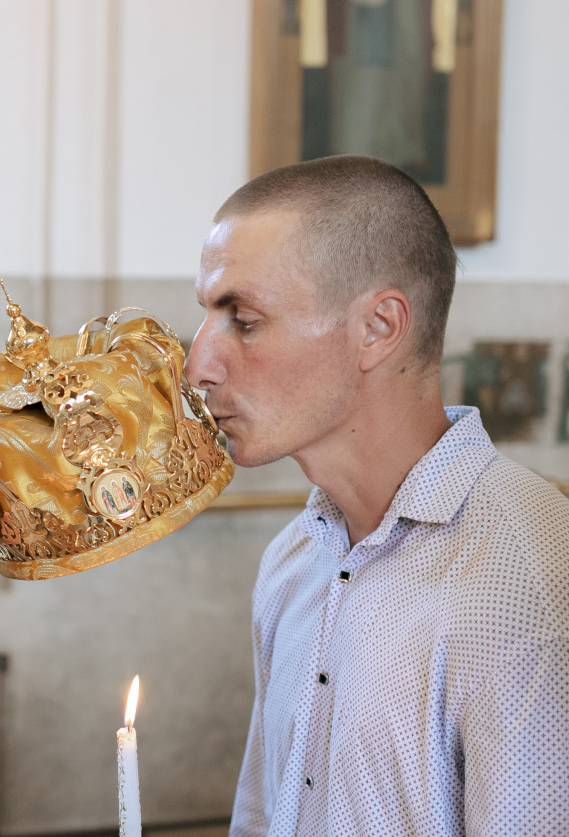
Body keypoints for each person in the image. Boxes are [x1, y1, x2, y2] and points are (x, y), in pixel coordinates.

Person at [184, 155, 569, 835]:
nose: (197, 366)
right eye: (208, 315)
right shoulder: (293, 557)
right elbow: (261, 815)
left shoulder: (527, 579)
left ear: (378, 328)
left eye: (241, 319)